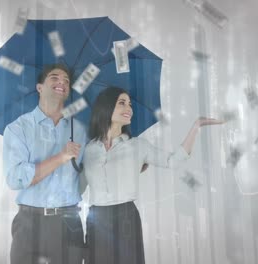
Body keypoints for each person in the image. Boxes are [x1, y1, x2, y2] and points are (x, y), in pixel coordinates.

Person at [81, 87, 224, 264]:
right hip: (97, 218)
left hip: (125, 216)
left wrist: (196, 126)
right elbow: (79, 185)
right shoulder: (88, 149)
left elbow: (172, 161)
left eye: (130, 104)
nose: (129, 109)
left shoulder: (138, 146)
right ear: (106, 107)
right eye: (122, 103)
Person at [3, 64, 87, 264]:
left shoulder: (80, 130)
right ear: (39, 87)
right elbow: (15, 178)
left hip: (69, 222)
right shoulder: (17, 128)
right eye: (55, 78)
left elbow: (87, 172)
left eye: (66, 80)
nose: (62, 82)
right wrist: (60, 157)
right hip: (29, 223)